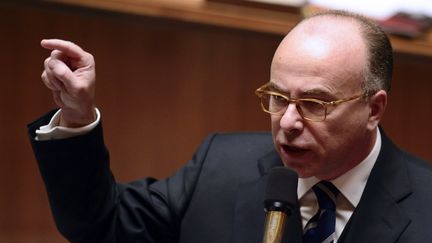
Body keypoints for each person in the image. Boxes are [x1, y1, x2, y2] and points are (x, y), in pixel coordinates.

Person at [28, 10, 432, 243]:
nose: (288, 122)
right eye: (277, 97)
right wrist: (77, 119)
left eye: (315, 104)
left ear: (374, 109)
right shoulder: (221, 167)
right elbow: (101, 225)